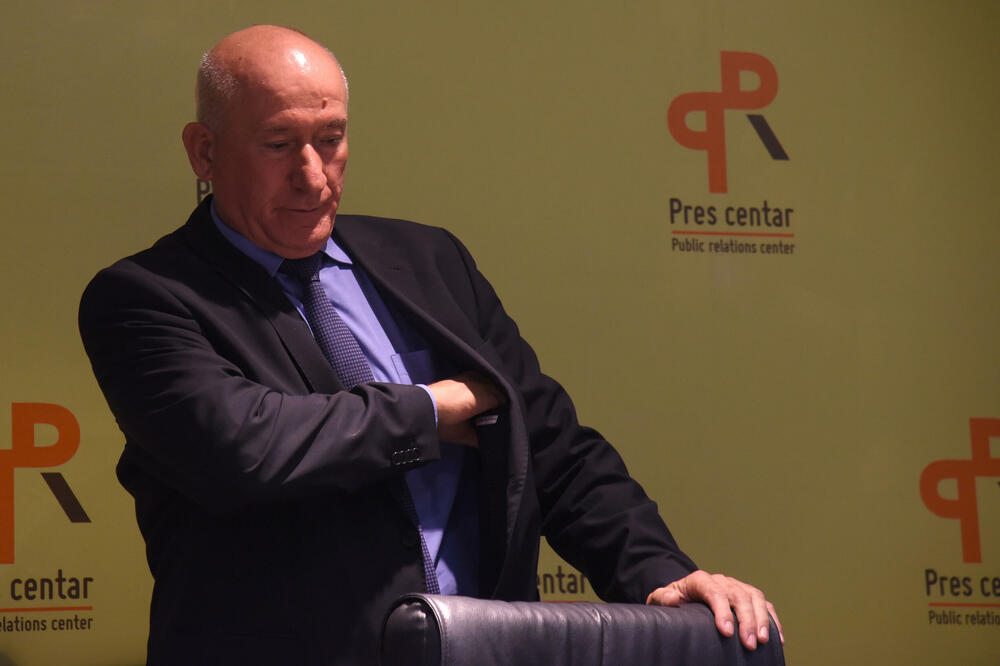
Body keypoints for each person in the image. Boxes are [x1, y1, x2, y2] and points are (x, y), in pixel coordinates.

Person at [79, 24, 782, 665]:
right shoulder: (143, 297)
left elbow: (552, 448)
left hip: (486, 650)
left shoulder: (430, 260)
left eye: (331, 139)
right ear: (204, 151)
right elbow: (246, 448)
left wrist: (660, 573)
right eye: (278, 145)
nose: (313, 174)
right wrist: (432, 408)